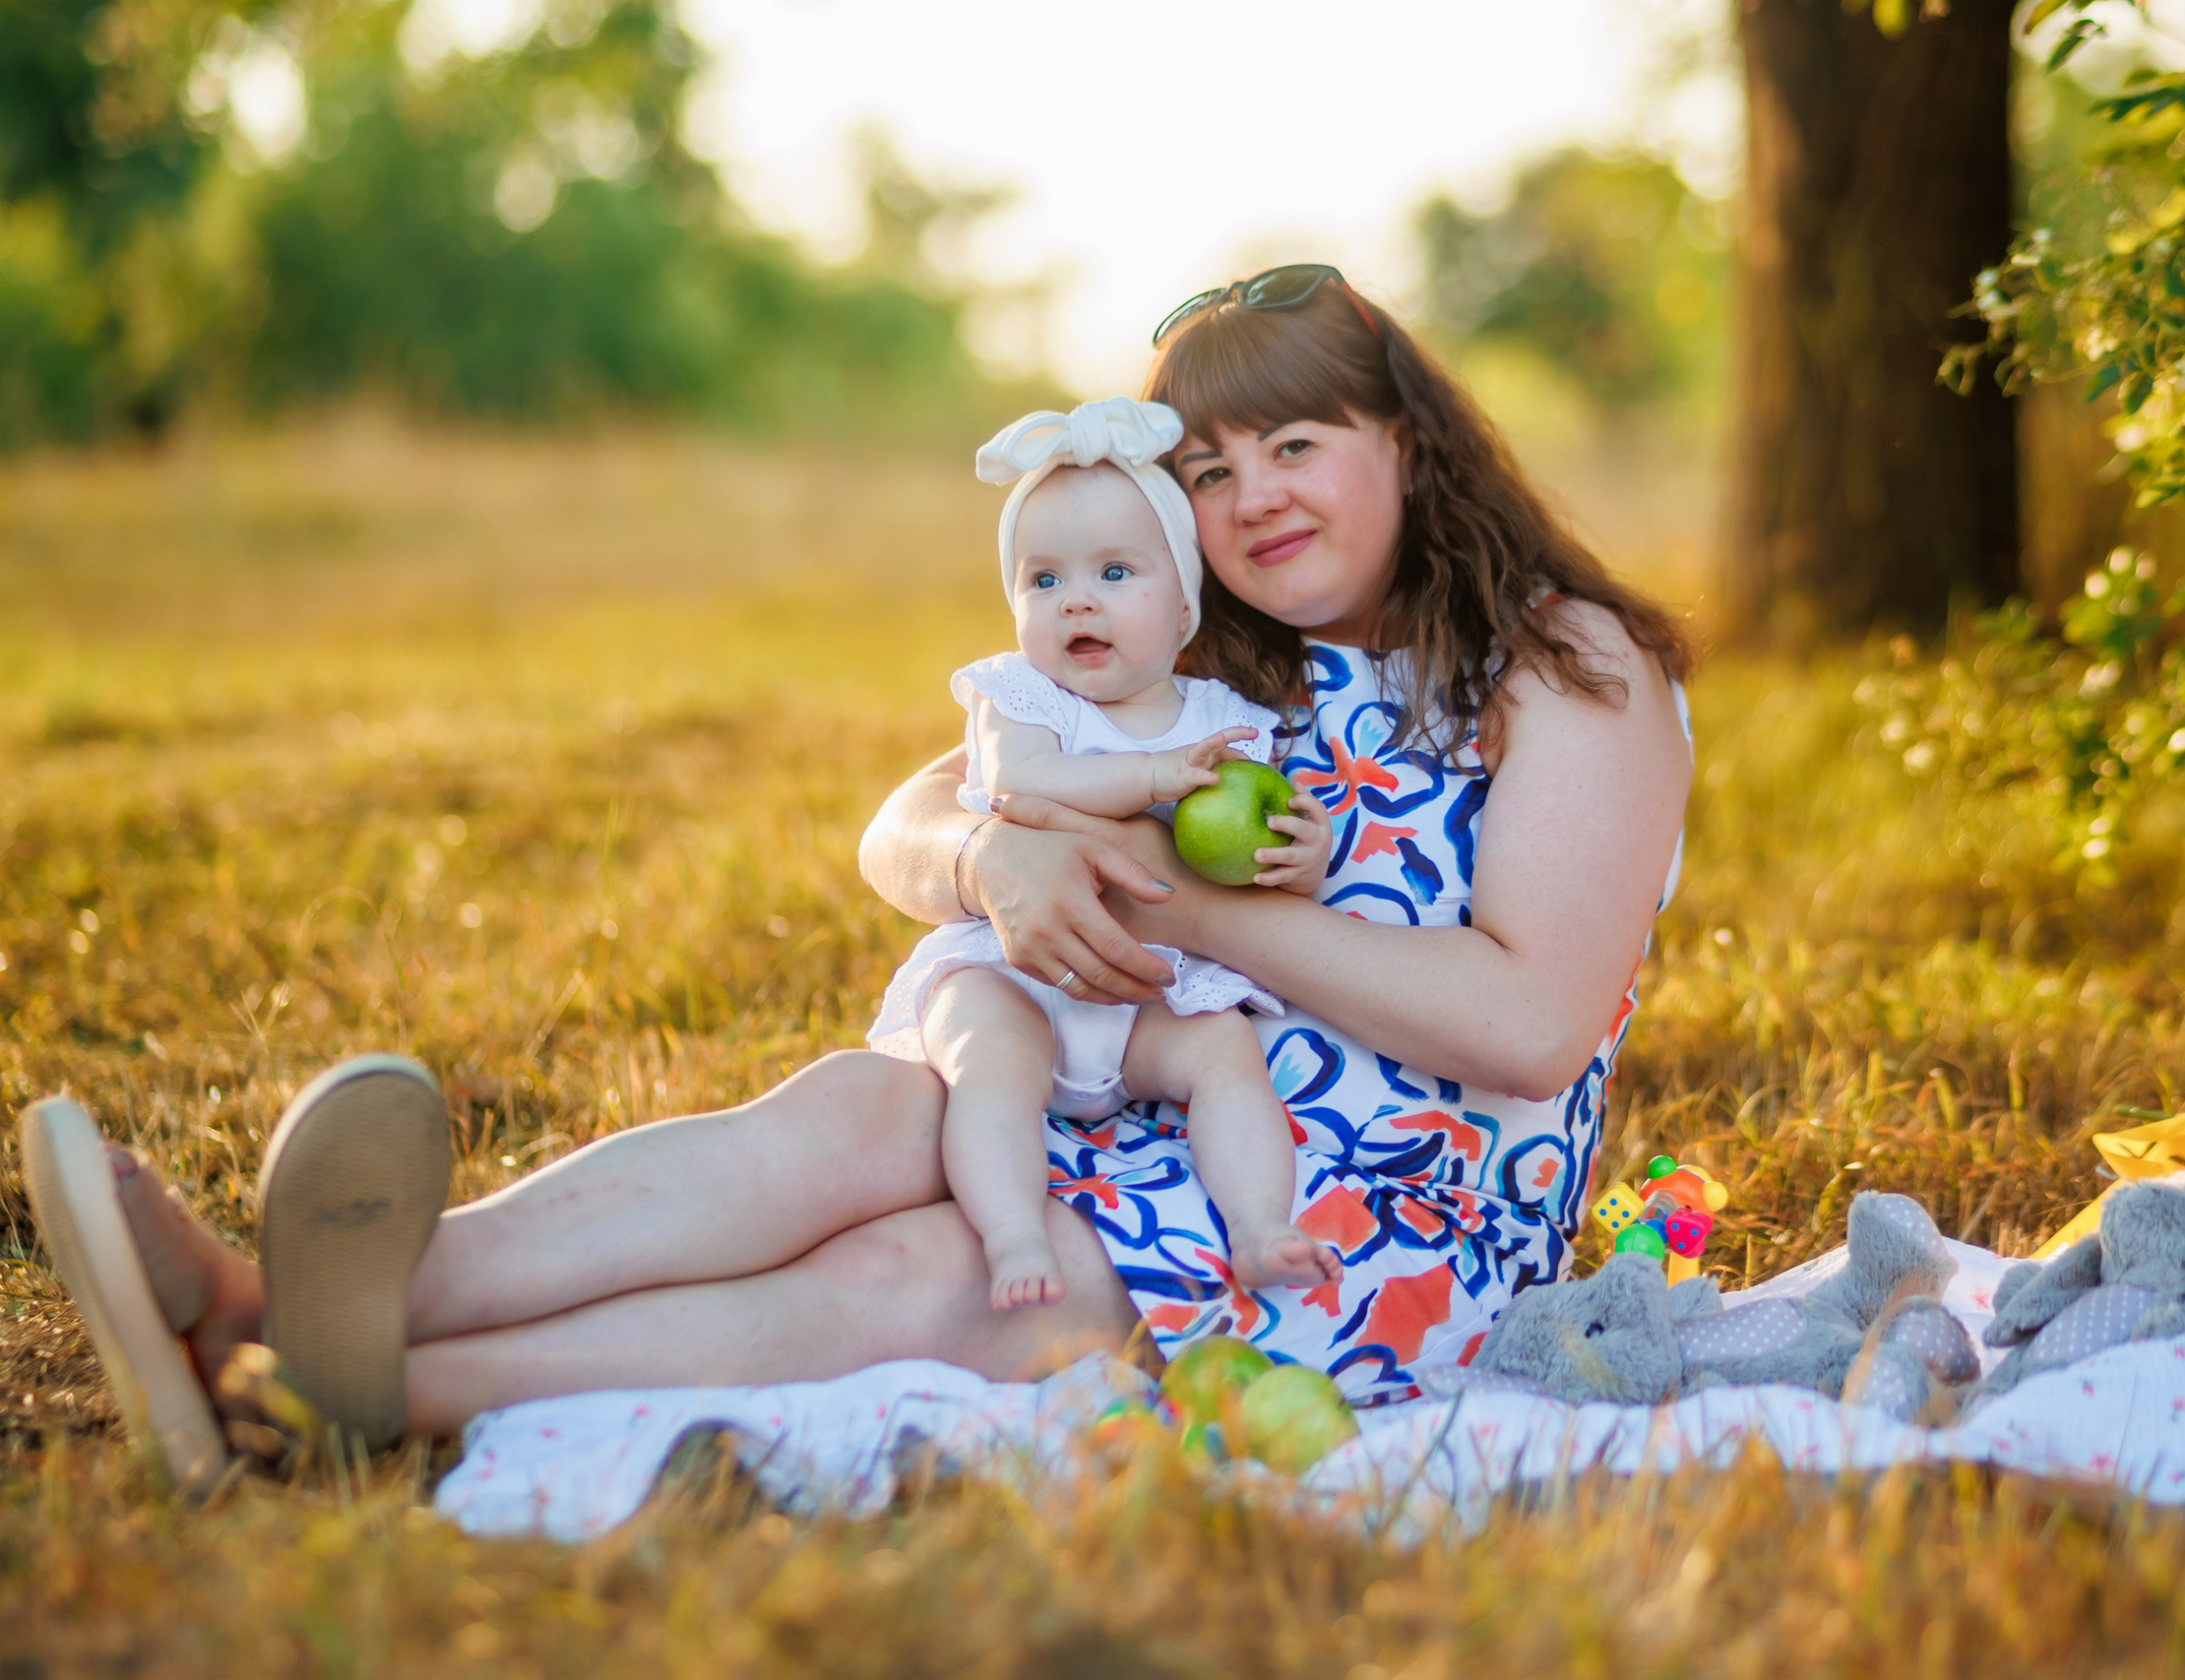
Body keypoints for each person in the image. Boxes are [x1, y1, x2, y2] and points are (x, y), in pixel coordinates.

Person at [22, 265, 1694, 1475]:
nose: (1250, 499)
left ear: (1408, 438)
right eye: (1207, 468)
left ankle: (326, 1387)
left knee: (912, 1276)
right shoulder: (1214, 660)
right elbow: (904, 821)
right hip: (1132, 1088)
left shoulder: (1570, 667)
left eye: (1297, 446)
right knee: (851, 1108)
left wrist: (1188, 908)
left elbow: (1536, 1019)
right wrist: (988, 859)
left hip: (1354, 1224)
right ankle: (292, 1295)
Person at [865, 395, 1340, 1309]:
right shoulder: (1022, 699)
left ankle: (1259, 1226)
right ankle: (1012, 1236)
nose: (1075, 598)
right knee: (989, 1064)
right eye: (1043, 581)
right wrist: (1158, 778)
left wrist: (1296, 853)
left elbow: (1232, 862)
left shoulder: (1221, 722)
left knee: (1227, 1056)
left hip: (1144, 988)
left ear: (1185, 606)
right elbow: (1023, 790)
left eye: (1115, 571)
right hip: (1016, 972)